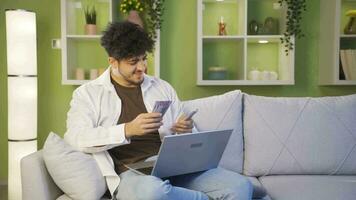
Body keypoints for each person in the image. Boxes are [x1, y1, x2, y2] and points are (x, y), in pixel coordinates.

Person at [64, 21, 252, 200]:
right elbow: (76, 137)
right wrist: (127, 129)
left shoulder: (162, 87)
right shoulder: (88, 94)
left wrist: (184, 131)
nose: (142, 67)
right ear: (113, 62)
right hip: (130, 174)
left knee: (241, 186)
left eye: (144, 59)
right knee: (154, 193)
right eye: (133, 61)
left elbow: (184, 136)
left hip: (173, 166)